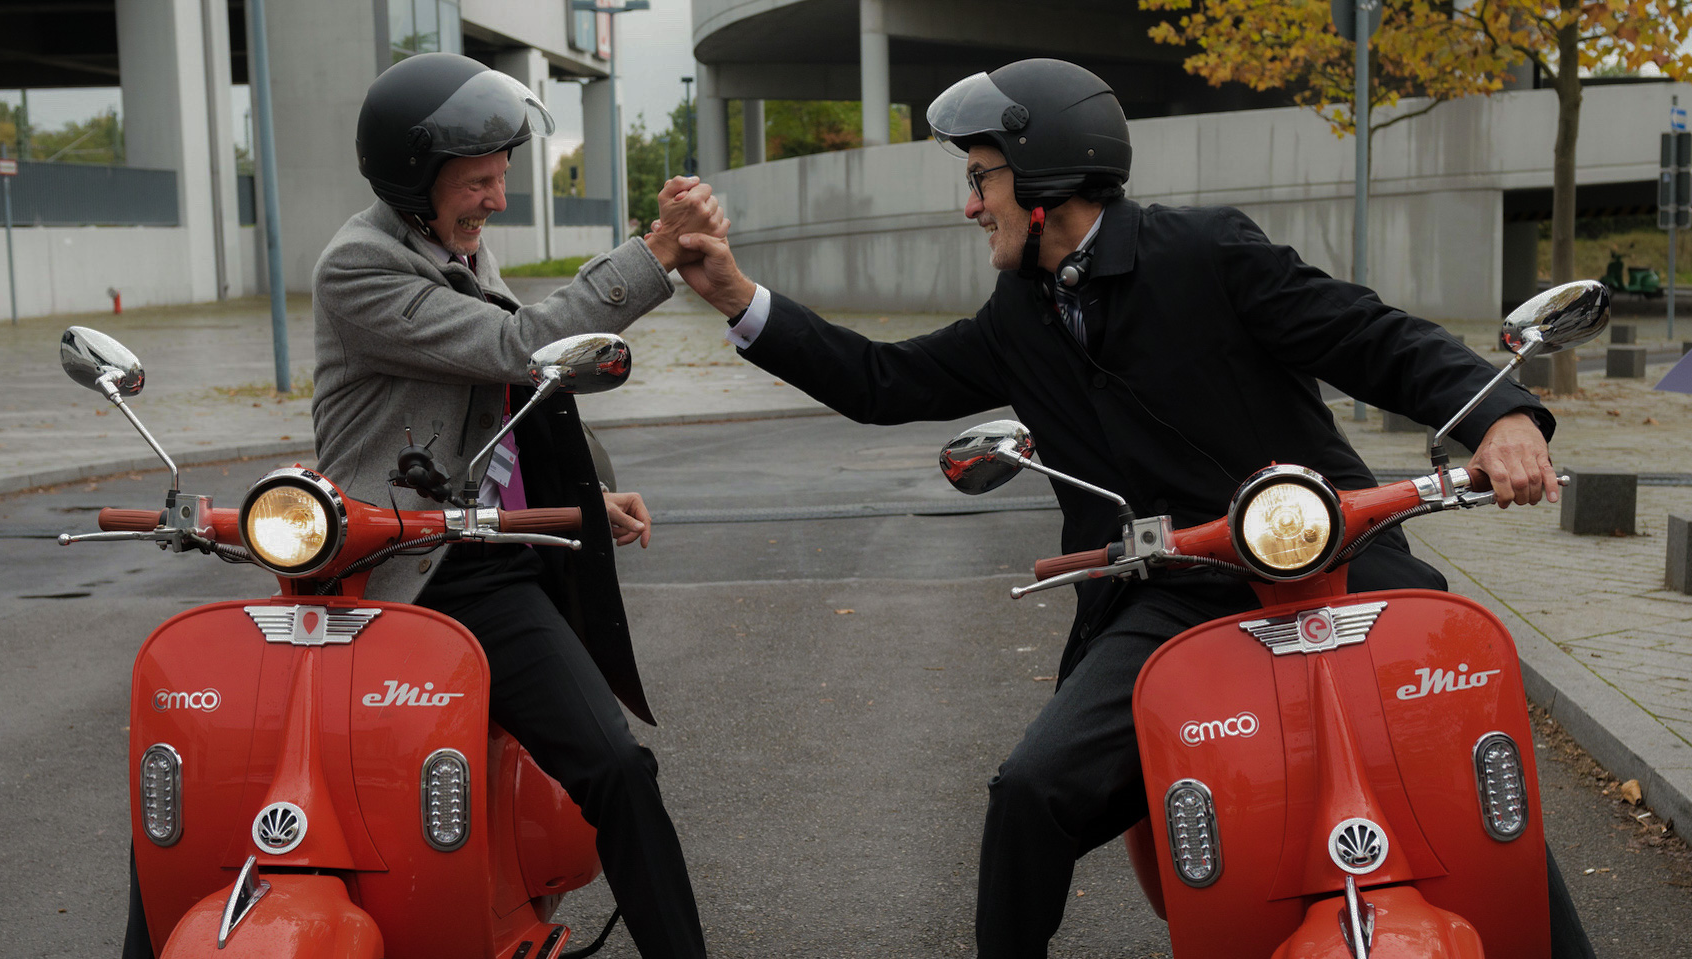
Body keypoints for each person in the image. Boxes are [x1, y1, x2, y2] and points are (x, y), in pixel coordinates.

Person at [667, 58, 1594, 959]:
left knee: (1468, 761)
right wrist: (740, 301)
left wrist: (1499, 415)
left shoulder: (1207, 254)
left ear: (1044, 179)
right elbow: (881, 380)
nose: (968, 203)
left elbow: (1369, 335)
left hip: (1330, 556)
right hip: (1166, 599)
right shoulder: (1018, 315)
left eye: (980, 176)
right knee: (1029, 793)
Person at [308, 52, 724, 958]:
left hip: (484, 563)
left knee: (616, 767)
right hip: (392, 569)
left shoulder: (450, 244)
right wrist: (652, 254)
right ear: (415, 180)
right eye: (480, 181)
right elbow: (518, 347)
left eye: (502, 177)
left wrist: (580, 501)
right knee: (240, 765)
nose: (497, 198)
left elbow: (491, 413)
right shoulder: (360, 267)